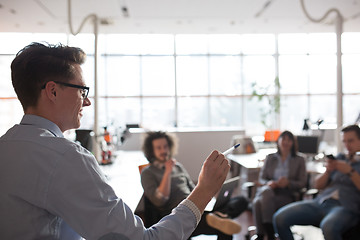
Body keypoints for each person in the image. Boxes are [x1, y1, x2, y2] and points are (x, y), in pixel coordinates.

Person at [0, 42, 231, 240]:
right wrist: (204, 191)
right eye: (82, 91)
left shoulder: (6, 146)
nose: (87, 102)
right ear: (53, 91)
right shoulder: (64, 156)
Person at [140, 131, 249, 240]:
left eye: (165, 146)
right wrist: (167, 172)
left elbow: (193, 189)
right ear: (151, 151)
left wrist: (210, 196)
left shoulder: (177, 167)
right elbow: (160, 201)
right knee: (225, 226)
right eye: (159, 148)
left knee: (241, 201)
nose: (163, 150)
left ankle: (216, 216)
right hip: (179, 214)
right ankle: (216, 217)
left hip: (195, 205)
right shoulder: (148, 172)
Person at [273, 125, 360, 240]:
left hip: (345, 207)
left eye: (351, 141)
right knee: (279, 218)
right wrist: (328, 171)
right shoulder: (340, 158)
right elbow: (317, 185)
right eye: (344, 141)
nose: (347, 145)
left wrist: (350, 171)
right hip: (321, 202)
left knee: (328, 227)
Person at [251, 131, 307, 240]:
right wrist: (269, 183)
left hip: (286, 194)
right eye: (283, 139)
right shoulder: (270, 157)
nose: (285, 142)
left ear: (293, 143)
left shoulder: (299, 159)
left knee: (258, 202)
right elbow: (262, 178)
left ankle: (263, 235)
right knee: (265, 193)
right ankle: (268, 233)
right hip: (269, 191)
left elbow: (302, 182)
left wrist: (288, 183)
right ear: (278, 141)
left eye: (289, 140)